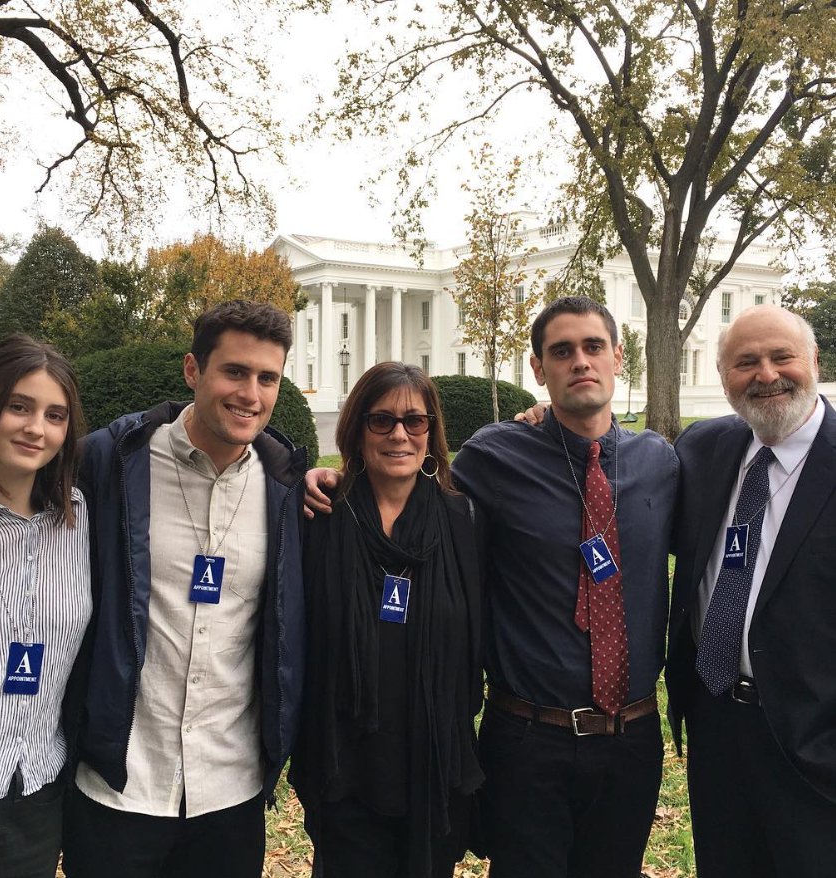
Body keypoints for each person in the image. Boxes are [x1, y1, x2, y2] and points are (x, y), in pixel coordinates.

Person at [306, 297, 678, 877]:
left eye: (593, 347)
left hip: (630, 738)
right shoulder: (495, 457)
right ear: (538, 369)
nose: (579, 362)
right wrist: (332, 477)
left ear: (618, 358)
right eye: (561, 352)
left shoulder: (663, 463)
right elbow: (409, 478)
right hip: (528, 738)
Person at [61, 300, 307, 878]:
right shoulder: (111, 463)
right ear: (193, 370)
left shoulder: (287, 489)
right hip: (120, 783)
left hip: (230, 790)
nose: (251, 393)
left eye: (267, 378)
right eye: (235, 372)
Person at [291, 362, 484, 878]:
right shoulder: (319, 515)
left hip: (433, 764)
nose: (399, 434)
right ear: (356, 428)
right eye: (381, 421)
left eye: (414, 422)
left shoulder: (462, 520)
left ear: (431, 432)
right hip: (346, 770)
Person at [666, 304, 836, 878]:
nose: (766, 374)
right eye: (745, 362)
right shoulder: (701, 450)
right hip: (716, 729)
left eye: (781, 356)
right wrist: (544, 424)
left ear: (813, 360)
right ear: (723, 377)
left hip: (814, 743)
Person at [0, 335, 92, 878]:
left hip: (39, 795)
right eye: (19, 406)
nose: (36, 429)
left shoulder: (79, 521)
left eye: (55, 415)